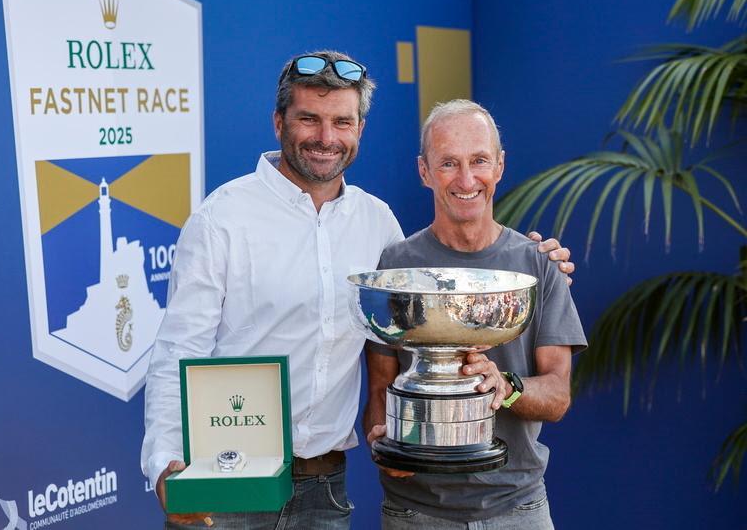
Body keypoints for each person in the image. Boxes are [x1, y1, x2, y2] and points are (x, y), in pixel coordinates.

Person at [141, 53, 574, 530]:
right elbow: (178, 350)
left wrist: (538, 259)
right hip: (227, 481)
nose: (326, 138)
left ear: (360, 129)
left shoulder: (377, 225)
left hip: (324, 488)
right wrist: (167, 462)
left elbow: (434, 287)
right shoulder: (221, 218)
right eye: (310, 119)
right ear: (279, 122)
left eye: (342, 122)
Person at [364, 99, 587, 530]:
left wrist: (506, 386)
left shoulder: (539, 264)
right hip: (415, 511)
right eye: (448, 163)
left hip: (517, 508)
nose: (467, 180)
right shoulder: (395, 267)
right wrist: (385, 445)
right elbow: (379, 389)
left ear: (499, 166)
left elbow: (558, 397)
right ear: (425, 171)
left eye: (479, 160)